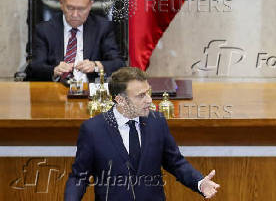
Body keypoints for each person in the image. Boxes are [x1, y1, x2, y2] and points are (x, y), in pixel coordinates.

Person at [64, 67, 220, 200]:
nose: (149, 100)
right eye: (141, 96)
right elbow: (79, 177)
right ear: (120, 100)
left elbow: (176, 162)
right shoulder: (93, 129)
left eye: (148, 92)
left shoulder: (157, 122)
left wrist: (199, 182)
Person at [27, 0, 124, 82]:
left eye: (81, 9)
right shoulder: (44, 30)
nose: (75, 14)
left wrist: (95, 65)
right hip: (56, 89)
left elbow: (118, 63)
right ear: (61, 3)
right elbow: (35, 66)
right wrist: (54, 70)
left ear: (90, 6)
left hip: (90, 91)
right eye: (70, 8)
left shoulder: (102, 28)